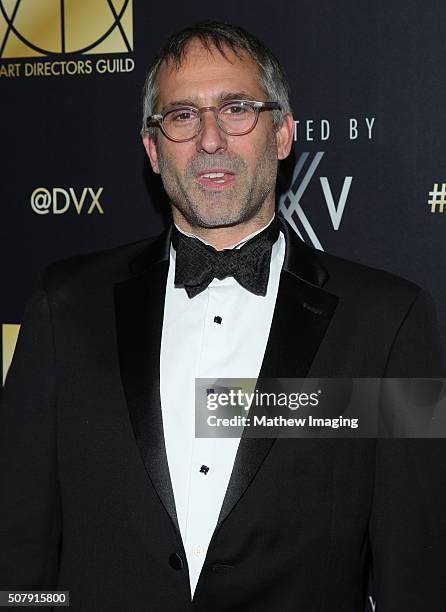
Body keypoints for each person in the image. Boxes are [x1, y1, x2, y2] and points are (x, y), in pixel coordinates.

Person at [0, 20, 445, 612]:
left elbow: (414, 571)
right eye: (182, 116)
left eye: (237, 109)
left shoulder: (388, 321)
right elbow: (21, 543)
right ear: (153, 149)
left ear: (283, 134)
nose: (210, 138)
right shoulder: (65, 306)